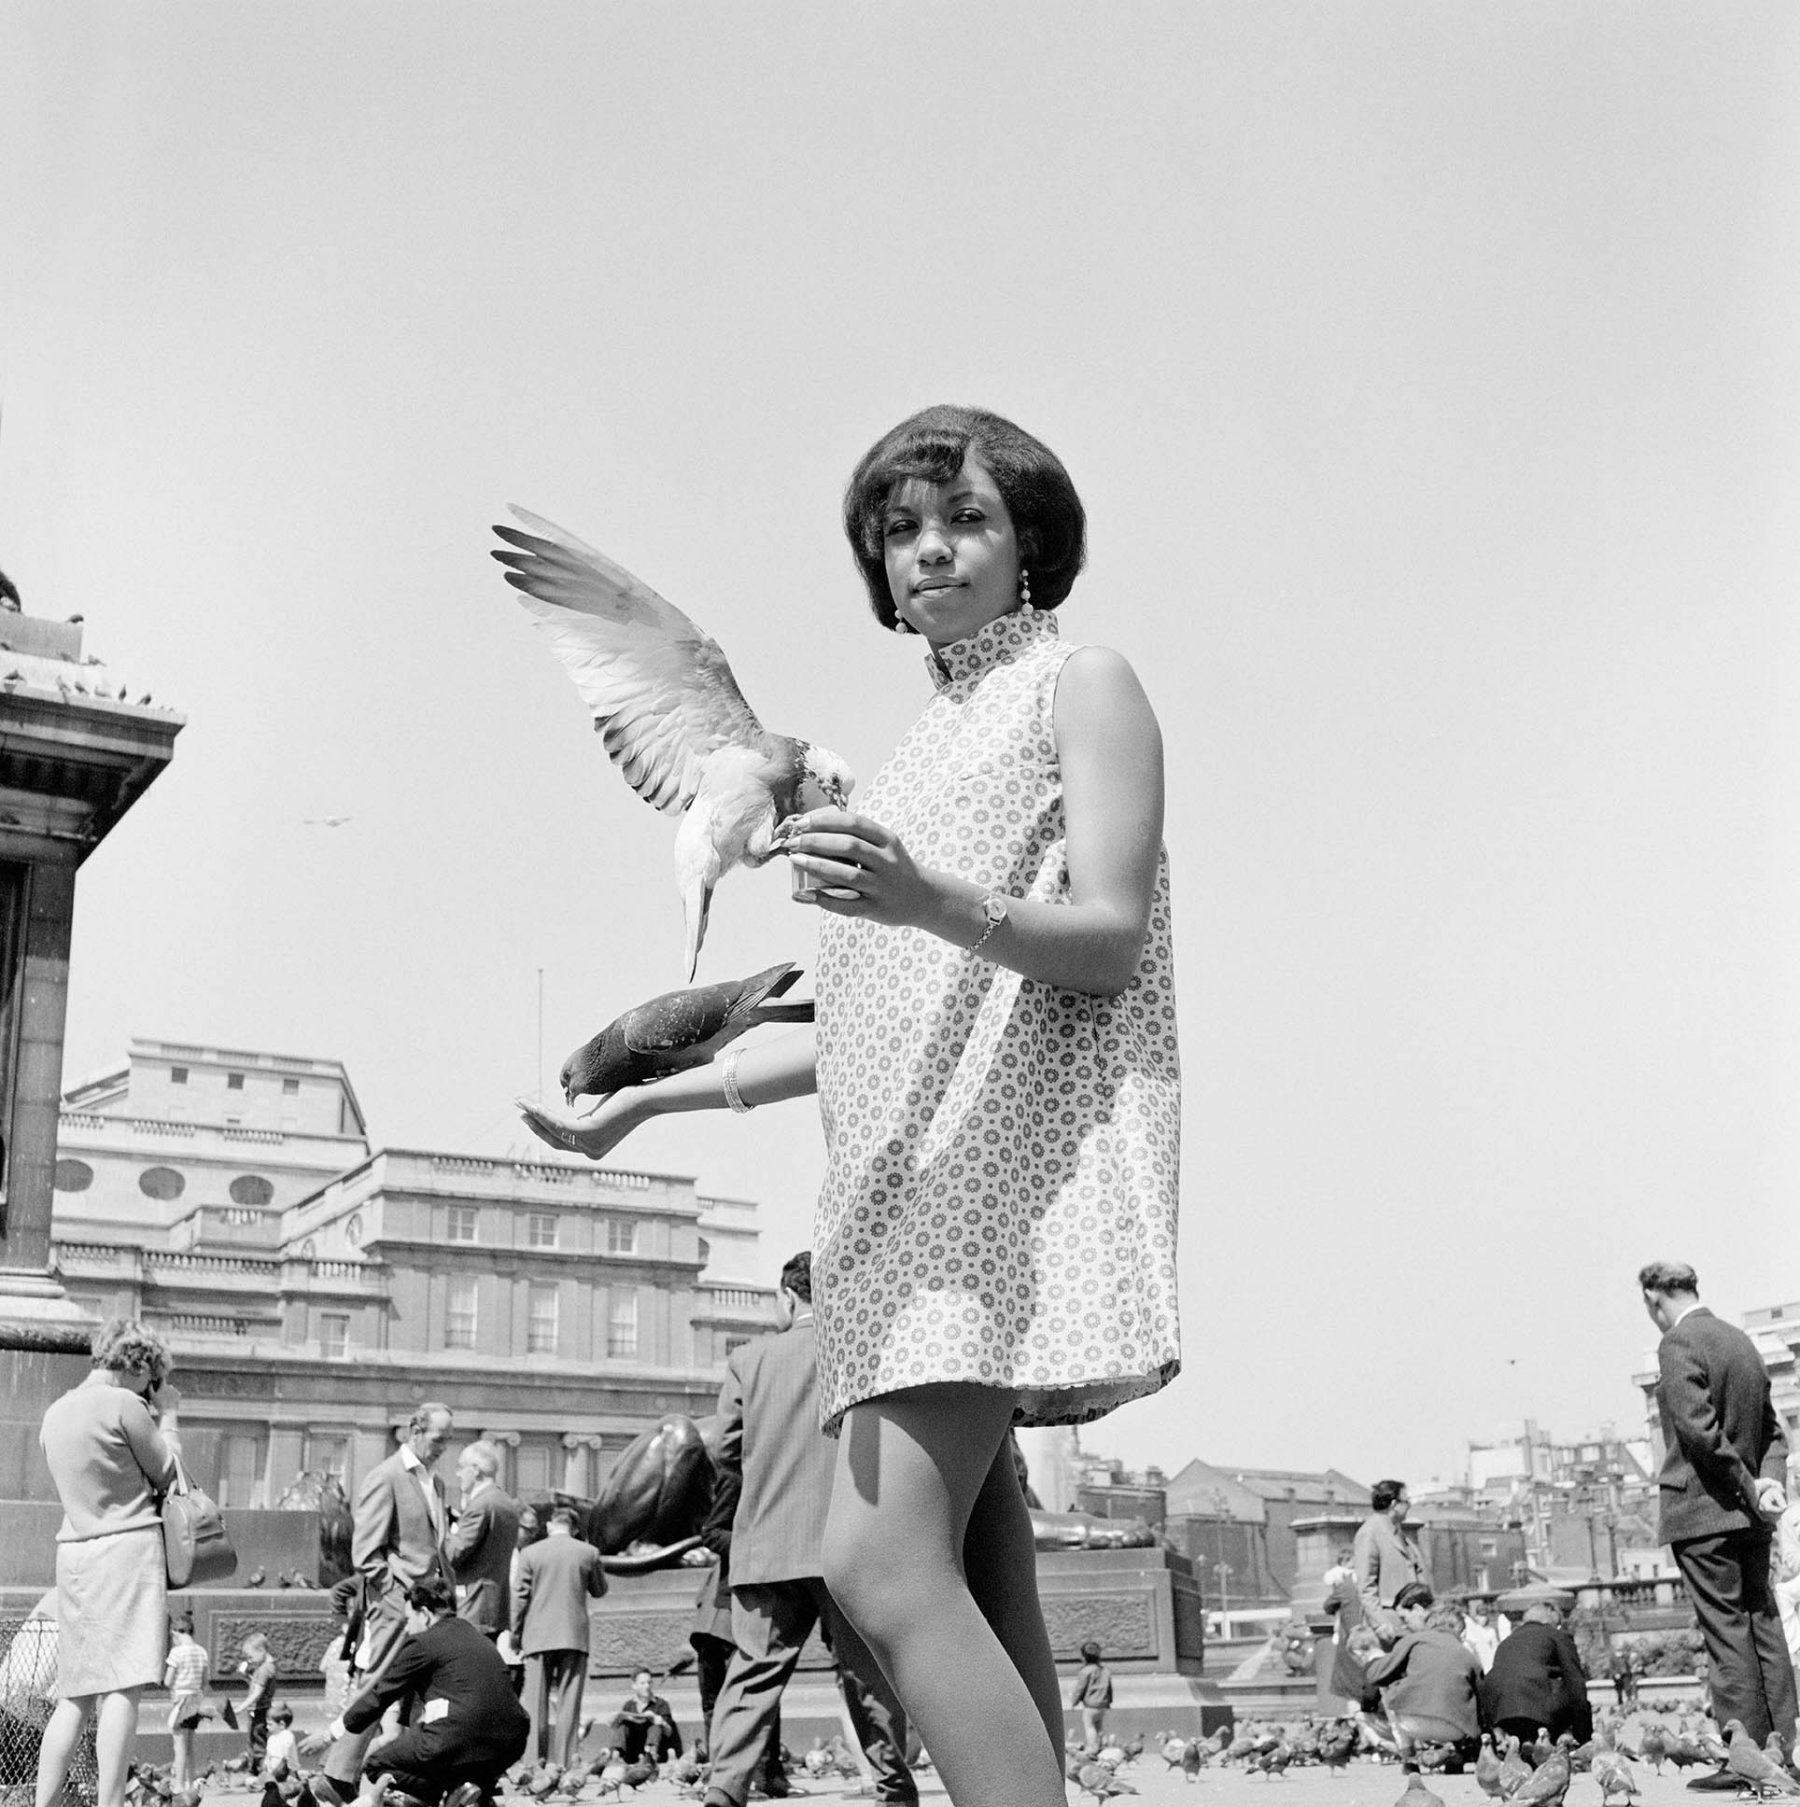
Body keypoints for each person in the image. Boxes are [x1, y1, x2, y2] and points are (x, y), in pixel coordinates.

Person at [519, 405, 1181, 1807]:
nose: (929, 548)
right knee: (986, 1590)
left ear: (1032, 543)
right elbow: (870, 1022)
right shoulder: (907, 758)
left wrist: (922, 895)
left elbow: (1112, 931)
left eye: (966, 521)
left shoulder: (1084, 683)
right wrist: (642, 1109)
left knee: (876, 1565)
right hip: (886, 1208)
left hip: (988, 1195)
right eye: (900, 530)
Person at [700, 1252, 913, 1807]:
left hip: (766, 1542)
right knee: (868, 1674)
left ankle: (725, 1786)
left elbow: (723, 1450)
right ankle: (893, 1784)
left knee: (752, 1675)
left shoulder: (749, 1359)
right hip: (849, 1541)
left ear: (789, 1296)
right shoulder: (859, 1348)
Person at [1640, 1259, 1798, 1778]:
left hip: (1703, 1513)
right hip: (1750, 1517)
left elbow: (1698, 1432)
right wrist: (1767, 1481)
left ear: (1654, 1299)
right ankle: (1783, 1751)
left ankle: (1744, 1759)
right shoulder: (1740, 1341)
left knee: (1726, 1632)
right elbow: (1774, 1431)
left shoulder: (1677, 1344)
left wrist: (1752, 1485)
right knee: (1764, 1625)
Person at [34, 1316, 181, 1807]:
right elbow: (168, 1474)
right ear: (139, 1365)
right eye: (152, 1377)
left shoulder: (55, 1412)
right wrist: (170, 1414)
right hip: (127, 1549)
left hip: (74, 1552)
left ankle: (45, 1803)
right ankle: (111, 1802)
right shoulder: (124, 1404)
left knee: (74, 1694)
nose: (153, 1388)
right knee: (123, 1687)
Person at [317, 1400, 456, 1802]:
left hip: (434, 1606)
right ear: (415, 1430)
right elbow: (365, 1553)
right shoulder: (386, 1477)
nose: (443, 1447)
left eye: (448, 1441)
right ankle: (337, 1773)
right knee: (378, 1683)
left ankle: (419, 1778)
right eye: (438, 1439)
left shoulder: (436, 1481)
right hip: (399, 1606)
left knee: (429, 1688)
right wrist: (396, 1592)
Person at [304, 1574, 529, 1807]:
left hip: (460, 1735)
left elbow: (379, 1696)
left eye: (409, 1619)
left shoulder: (424, 1642)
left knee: (378, 1764)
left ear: (425, 1614)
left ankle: (443, 1795)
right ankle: (467, 1791)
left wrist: (328, 1735)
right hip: (511, 1742)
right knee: (449, 1762)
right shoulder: (477, 1637)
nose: (408, 1628)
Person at [512, 1504, 607, 1773]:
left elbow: (519, 1598)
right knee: (568, 1706)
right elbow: (600, 1590)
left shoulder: (530, 1553)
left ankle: (533, 1766)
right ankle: (564, 1768)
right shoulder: (588, 1552)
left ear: (550, 1525)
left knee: (535, 1705)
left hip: (538, 1636)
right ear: (575, 1528)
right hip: (574, 1636)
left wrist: (516, 1635)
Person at [1359, 1586, 1483, 1771]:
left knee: (1389, 1688)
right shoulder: (1464, 1644)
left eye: (1404, 1618)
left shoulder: (1413, 1640)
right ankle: (1455, 1752)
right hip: (1458, 1726)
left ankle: (1408, 1759)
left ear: (1418, 1610)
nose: (1403, 1625)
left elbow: (1376, 1676)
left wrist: (1377, 1659)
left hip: (1412, 1723)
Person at [1479, 1593, 1593, 1748]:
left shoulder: (1507, 1641)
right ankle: (1568, 1743)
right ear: (1551, 1618)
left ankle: (1523, 1743)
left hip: (1501, 1712)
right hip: (1540, 1711)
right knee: (1569, 1691)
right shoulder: (1557, 1636)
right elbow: (1575, 1681)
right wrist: (1584, 1732)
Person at [445, 1439, 520, 1641]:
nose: (458, 1474)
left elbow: (454, 1553)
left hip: (473, 1605)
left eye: (461, 1467)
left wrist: (442, 1528)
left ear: (475, 1470)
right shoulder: (505, 1502)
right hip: (494, 1604)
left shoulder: (480, 1505)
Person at [1354, 1481, 1431, 1644]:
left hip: (1411, 1622)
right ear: (1394, 1504)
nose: (1409, 1505)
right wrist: (1381, 1623)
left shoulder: (1398, 1533)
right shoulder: (1370, 1532)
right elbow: (1366, 1586)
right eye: (1406, 1501)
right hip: (1389, 1627)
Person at [164, 1611, 208, 1792]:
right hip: (196, 1701)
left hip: (181, 1702)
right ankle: (191, 1783)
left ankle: (179, 1785)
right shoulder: (202, 1652)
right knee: (190, 1746)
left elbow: (167, 1681)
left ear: (175, 1632)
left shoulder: (176, 1652)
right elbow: (205, 1682)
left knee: (179, 1746)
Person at [609, 1668, 681, 1766]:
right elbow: (614, 1727)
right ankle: (616, 1756)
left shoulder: (661, 1704)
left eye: (649, 1683)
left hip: (657, 1747)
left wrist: (661, 1722)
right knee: (623, 1726)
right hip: (634, 1750)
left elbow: (669, 1732)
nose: (647, 1686)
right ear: (634, 1686)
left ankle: (650, 1755)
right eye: (642, 1683)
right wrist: (619, 1719)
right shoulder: (629, 1705)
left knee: (654, 1727)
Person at [240, 1632, 278, 1766]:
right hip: (261, 1708)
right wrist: (247, 1677)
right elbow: (257, 1685)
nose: (249, 1660)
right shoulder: (266, 1667)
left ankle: (259, 1769)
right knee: (255, 1739)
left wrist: (241, 1706)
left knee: (257, 1741)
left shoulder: (264, 1670)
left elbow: (257, 1692)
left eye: (250, 1657)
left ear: (261, 1650)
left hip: (259, 1710)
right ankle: (255, 1767)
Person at [1068, 1641, 1112, 1755]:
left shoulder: (1085, 1672)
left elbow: (1080, 1689)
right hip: (1102, 1704)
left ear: (1084, 1657)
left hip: (1090, 1705)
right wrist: (1109, 1701)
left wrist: (1074, 1702)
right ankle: (1101, 1745)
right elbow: (1109, 1688)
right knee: (1099, 1726)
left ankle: (1092, 1747)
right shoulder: (1105, 1671)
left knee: (1089, 1726)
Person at [1460, 1596, 1500, 1674]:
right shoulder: (1473, 1629)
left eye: (1485, 1616)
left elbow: (1495, 1646)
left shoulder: (1491, 1631)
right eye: (1481, 1616)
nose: (1483, 1619)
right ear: (1477, 1617)